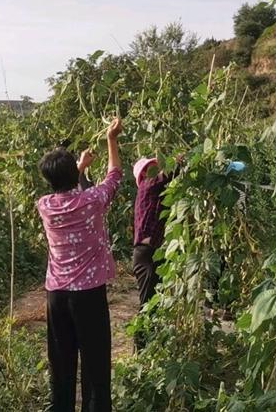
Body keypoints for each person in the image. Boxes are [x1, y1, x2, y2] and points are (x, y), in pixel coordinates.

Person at [37, 118, 123, 412]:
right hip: (88, 295)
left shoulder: (45, 205)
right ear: (73, 174)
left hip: (56, 295)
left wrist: (79, 168)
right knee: (96, 364)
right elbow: (114, 175)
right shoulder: (92, 200)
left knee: (61, 365)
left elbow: (66, 186)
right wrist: (111, 139)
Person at [130, 155, 181, 347]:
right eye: (153, 166)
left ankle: (150, 347)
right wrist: (179, 160)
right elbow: (168, 174)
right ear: (144, 173)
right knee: (148, 304)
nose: (158, 168)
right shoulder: (148, 185)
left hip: (151, 252)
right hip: (146, 254)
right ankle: (140, 349)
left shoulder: (155, 192)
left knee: (154, 302)